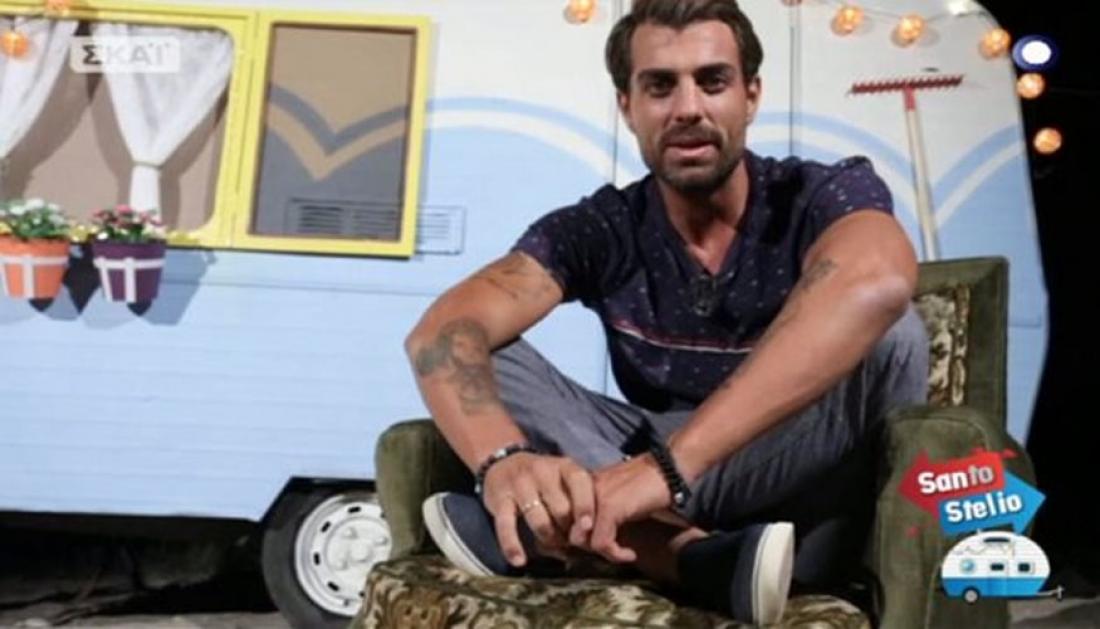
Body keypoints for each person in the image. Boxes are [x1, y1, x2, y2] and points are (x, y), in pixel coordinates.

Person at [403, 0, 928, 624]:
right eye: (659, 86)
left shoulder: (822, 192)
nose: (687, 108)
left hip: (791, 501)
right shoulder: (602, 227)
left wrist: (672, 469)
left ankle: (563, 535)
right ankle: (685, 554)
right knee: (487, 350)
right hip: (647, 475)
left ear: (751, 96)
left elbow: (877, 278)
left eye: (713, 81)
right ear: (627, 106)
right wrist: (503, 461)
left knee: (892, 332)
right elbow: (441, 331)